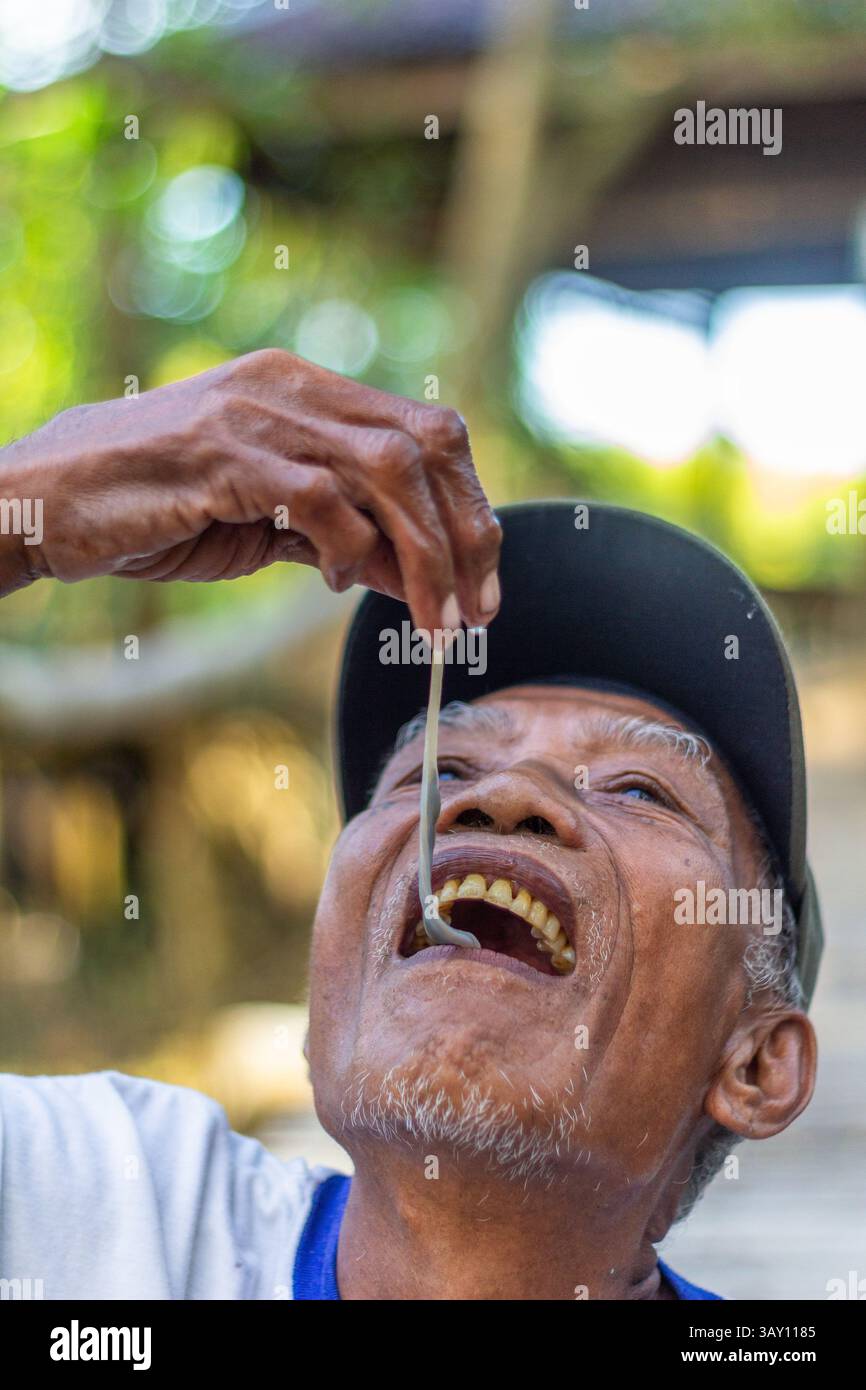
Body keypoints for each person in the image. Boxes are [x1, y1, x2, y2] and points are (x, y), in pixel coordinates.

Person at [0, 353, 820, 1300]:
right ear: (331, 982)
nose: (502, 798)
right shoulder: (96, 1209)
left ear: (758, 1064)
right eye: (446, 767)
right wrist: (29, 507)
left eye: (640, 791)